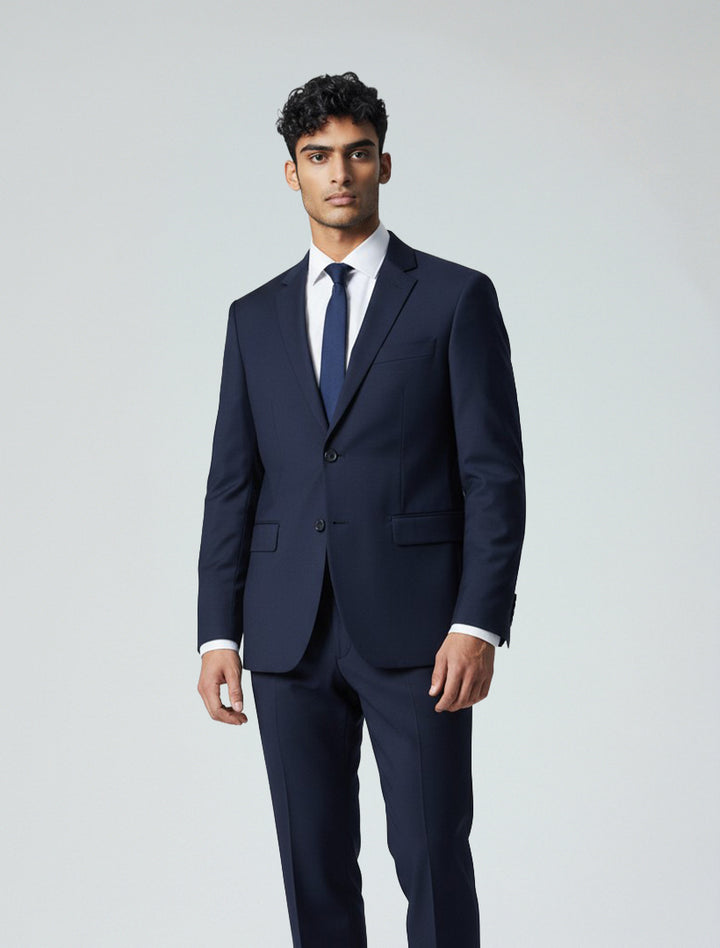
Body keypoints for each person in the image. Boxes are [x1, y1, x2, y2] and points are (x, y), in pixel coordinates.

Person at [196, 71, 525, 948]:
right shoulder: (253, 317)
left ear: (384, 164)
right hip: (285, 632)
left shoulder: (455, 298)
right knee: (313, 867)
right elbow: (233, 481)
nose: (338, 173)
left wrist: (478, 624)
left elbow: (494, 476)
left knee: (431, 856)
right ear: (292, 173)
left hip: (420, 634)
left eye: (356, 154)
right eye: (317, 157)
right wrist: (216, 633)